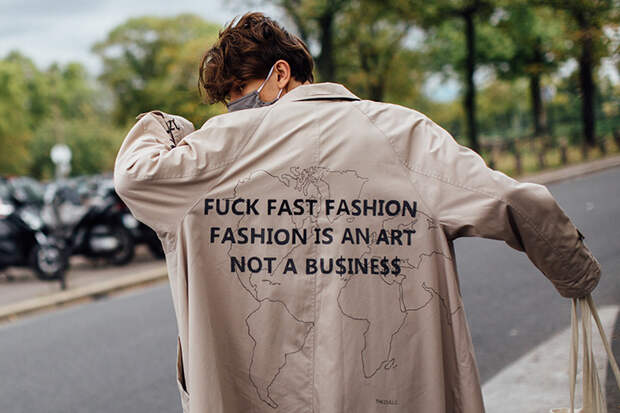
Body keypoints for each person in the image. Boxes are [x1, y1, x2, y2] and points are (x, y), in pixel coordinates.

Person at [113, 11, 601, 413]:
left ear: (280, 74)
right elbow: (516, 201)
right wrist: (575, 276)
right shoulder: (401, 131)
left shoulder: (216, 149)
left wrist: (167, 125)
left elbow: (135, 175)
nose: (234, 110)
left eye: (239, 92)